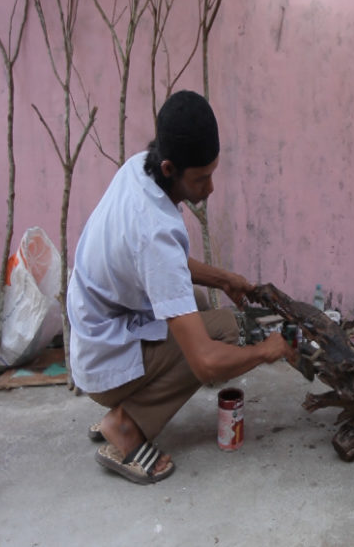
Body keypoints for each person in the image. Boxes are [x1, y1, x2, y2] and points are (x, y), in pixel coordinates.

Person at [67, 90, 297, 485]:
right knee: (224, 330)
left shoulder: (139, 168)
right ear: (171, 168)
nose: (209, 189)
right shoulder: (155, 231)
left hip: (94, 333)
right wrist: (266, 350)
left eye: (213, 173)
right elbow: (206, 362)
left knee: (197, 301)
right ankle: (125, 426)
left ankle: (128, 401)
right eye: (201, 179)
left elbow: (158, 266)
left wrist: (225, 279)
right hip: (101, 358)